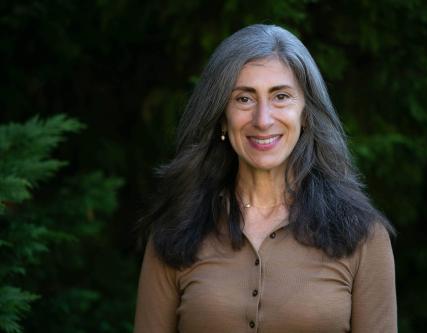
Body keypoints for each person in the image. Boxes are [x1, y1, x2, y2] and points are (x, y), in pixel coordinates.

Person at [134, 24, 397, 333]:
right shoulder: (177, 228)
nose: (263, 119)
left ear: (306, 114)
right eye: (244, 99)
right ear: (221, 116)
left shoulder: (361, 235)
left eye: (281, 97)